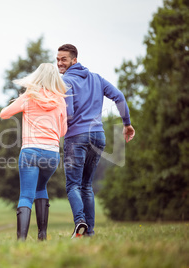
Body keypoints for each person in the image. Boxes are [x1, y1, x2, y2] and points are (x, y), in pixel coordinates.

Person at [56, 44, 135, 238]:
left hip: (77, 137)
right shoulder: (97, 78)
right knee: (86, 185)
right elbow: (119, 96)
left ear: (74, 60)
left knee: (73, 185)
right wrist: (127, 124)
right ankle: (89, 232)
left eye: (63, 59)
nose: (59, 63)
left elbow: (70, 113)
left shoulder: (65, 81)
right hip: (98, 136)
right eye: (57, 59)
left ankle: (80, 222)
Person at [0, 63, 68, 241]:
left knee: (26, 195)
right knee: (41, 187)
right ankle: (42, 235)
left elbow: (4, 114)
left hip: (30, 151)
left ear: (37, 77)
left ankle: (21, 239)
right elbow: (62, 132)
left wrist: (21, 99)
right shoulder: (60, 100)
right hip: (52, 154)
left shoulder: (29, 96)